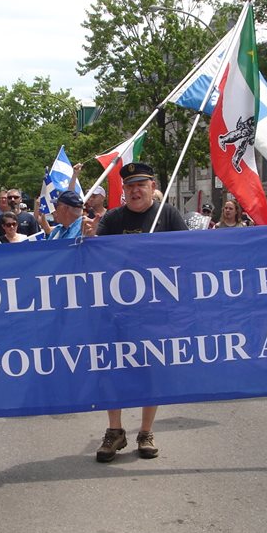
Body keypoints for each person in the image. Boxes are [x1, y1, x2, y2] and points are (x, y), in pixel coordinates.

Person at [91, 162, 188, 462]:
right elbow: (96, 259)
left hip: (156, 310)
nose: (135, 191)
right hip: (117, 311)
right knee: (113, 369)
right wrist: (90, 239)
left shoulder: (168, 215)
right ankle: (114, 431)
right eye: (130, 186)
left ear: (152, 186)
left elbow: (190, 252)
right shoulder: (112, 218)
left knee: (151, 371)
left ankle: (145, 432)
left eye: (140, 185)